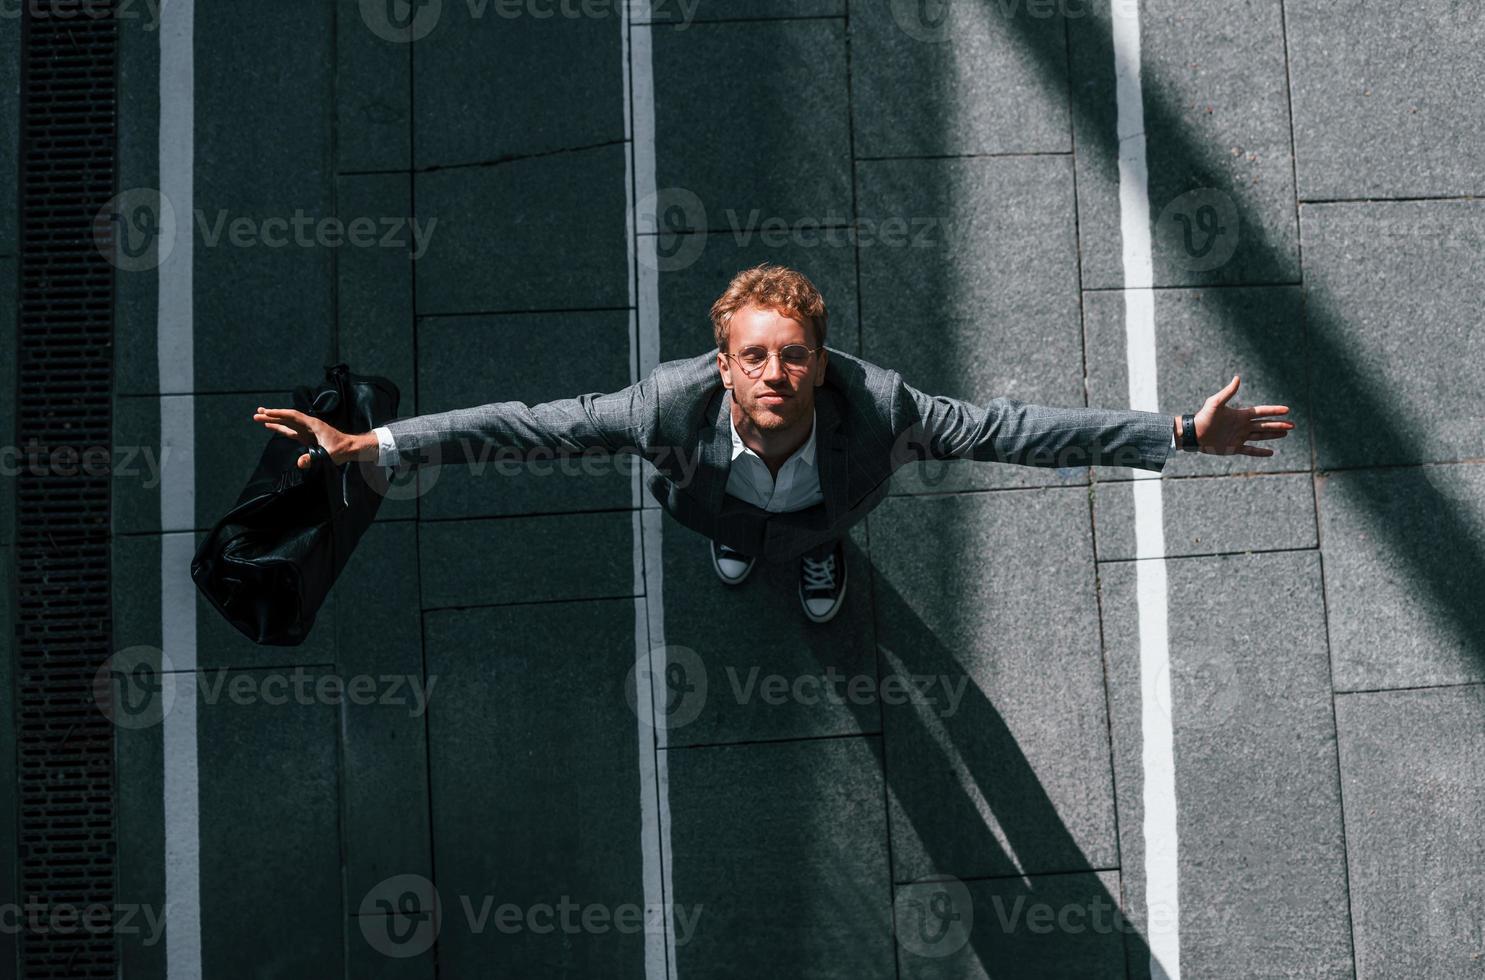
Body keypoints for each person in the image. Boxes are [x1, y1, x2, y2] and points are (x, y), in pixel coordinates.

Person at [253, 263, 1294, 625]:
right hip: (713, 500)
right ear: (721, 366)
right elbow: (525, 426)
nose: (774, 373)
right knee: (740, 534)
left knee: (808, 539)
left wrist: (1181, 432)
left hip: (825, 500)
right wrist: (374, 441)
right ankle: (753, 548)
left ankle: (807, 551)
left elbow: (1018, 429)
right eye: (753, 356)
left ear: (820, 360)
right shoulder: (660, 408)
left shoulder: (885, 411)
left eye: (792, 355)